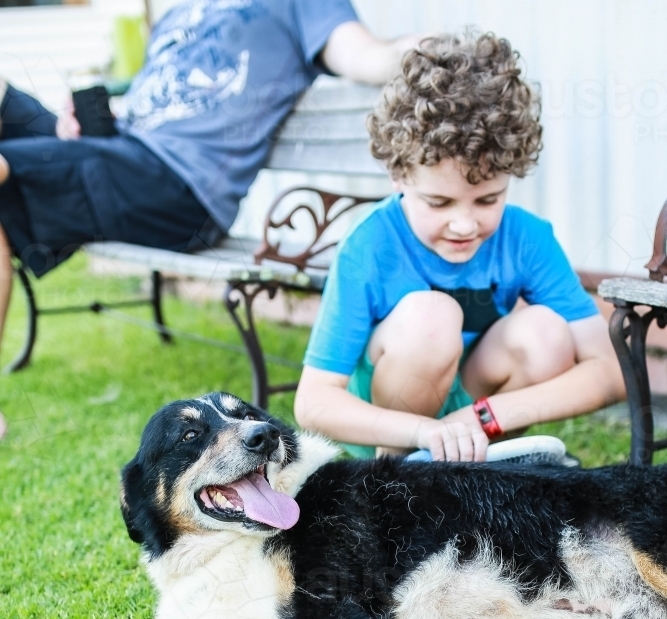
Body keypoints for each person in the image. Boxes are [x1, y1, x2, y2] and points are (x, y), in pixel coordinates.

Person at [0, 0, 422, 440]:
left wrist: (426, 49)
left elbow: (366, 54)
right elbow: (159, 111)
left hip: (181, 190)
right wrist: (79, 133)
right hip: (124, 159)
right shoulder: (179, 14)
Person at [294, 32, 626, 462]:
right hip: (389, 425)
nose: (465, 224)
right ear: (398, 174)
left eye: (489, 199)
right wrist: (421, 431)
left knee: (545, 331)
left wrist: (482, 418)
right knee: (432, 316)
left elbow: (612, 371)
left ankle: (478, 470)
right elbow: (314, 402)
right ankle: (395, 478)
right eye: (439, 202)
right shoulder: (370, 245)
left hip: (475, 421)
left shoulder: (526, 237)